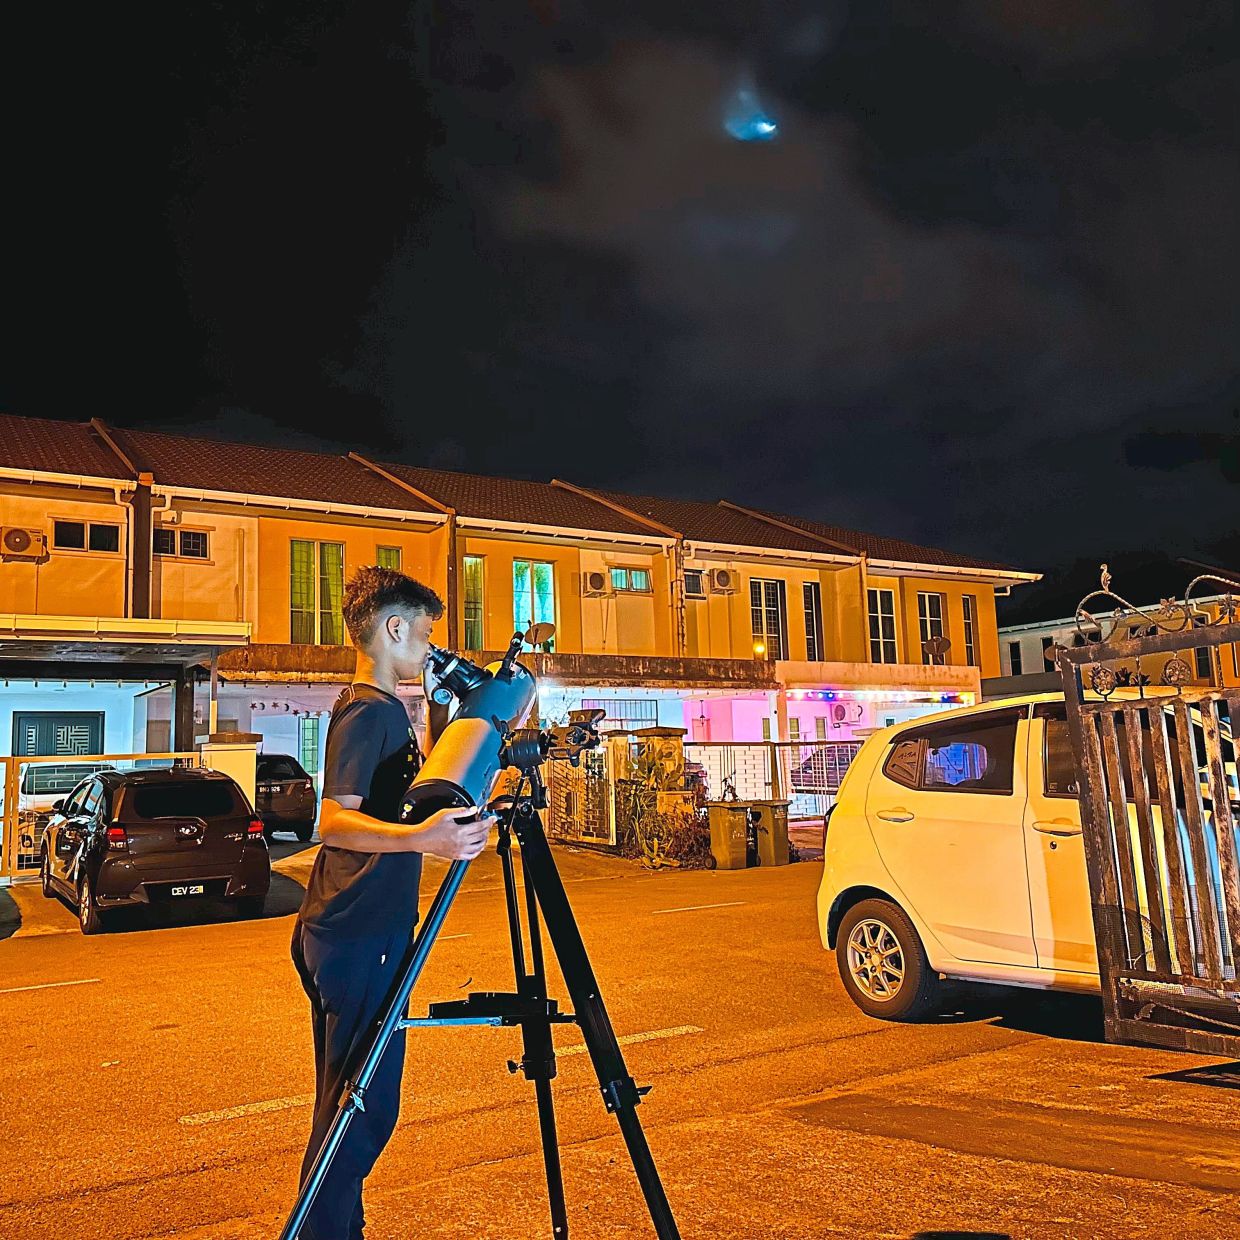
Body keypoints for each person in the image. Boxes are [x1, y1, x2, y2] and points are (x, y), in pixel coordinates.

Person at [290, 565, 495, 1239]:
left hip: (354, 926)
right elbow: (334, 820)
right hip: (355, 928)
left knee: (348, 1104)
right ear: (393, 627)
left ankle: (337, 1231)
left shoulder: (384, 710)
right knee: (362, 1109)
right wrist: (421, 838)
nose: (431, 650)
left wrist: (445, 827)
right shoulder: (368, 709)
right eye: (425, 634)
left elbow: (405, 806)